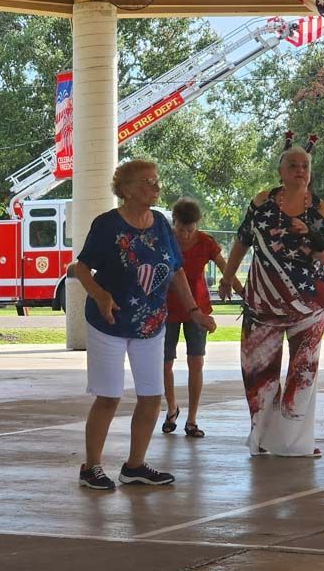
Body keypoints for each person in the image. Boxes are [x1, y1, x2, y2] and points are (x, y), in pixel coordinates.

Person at [75, 159, 216, 490]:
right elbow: (81, 268)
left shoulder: (162, 225)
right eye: (147, 182)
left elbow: (176, 270)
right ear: (125, 190)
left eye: (156, 181)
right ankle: (90, 467)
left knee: (152, 396)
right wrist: (100, 295)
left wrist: (194, 311)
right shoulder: (107, 225)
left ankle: (134, 466)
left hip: (152, 323)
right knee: (108, 396)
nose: (155, 187)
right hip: (109, 322)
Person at [219, 143, 324, 458]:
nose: (300, 170)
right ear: (281, 172)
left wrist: (312, 235)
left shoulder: (320, 208)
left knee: (303, 373)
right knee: (258, 373)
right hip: (262, 303)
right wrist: (228, 276)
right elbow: (243, 240)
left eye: (305, 166)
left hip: (308, 305)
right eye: (294, 165)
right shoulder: (261, 203)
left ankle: (296, 442)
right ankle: (264, 437)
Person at [161, 198, 242, 438]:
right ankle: (172, 408)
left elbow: (226, 268)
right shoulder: (164, 242)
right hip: (167, 309)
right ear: (173, 223)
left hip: (199, 311)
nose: (185, 235)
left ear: (197, 225)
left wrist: (243, 294)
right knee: (165, 363)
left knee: (196, 362)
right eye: (180, 229)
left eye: (190, 229)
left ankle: (192, 419)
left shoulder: (206, 242)